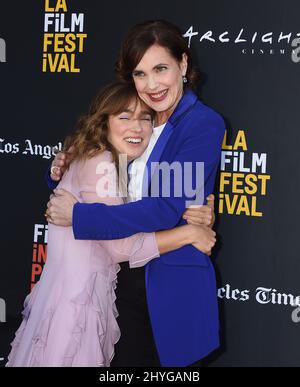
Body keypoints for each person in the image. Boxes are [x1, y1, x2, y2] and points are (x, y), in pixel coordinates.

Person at [46, 20, 225, 367]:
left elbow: (164, 209)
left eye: (161, 69)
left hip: (168, 285)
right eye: (140, 73)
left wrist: (80, 215)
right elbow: (94, 159)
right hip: (116, 277)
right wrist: (61, 171)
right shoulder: (132, 118)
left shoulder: (201, 124)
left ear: (183, 64)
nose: (152, 84)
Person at [6, 82, 216, 367]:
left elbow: (140, 208)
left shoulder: (101, 159)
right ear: (103, 122)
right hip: (77, 312)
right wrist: (189, 233)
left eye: (145, 118)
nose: (137, 127)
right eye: (125, 117)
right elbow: (122, 247)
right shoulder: (103, 162)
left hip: (74, 304)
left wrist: (196, 208)